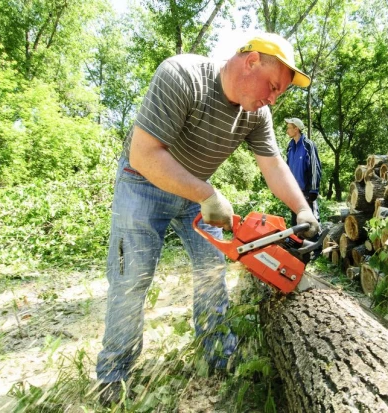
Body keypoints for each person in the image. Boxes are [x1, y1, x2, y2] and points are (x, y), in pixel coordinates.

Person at [95, 33, 319, 406]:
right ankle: (112, 378)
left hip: (197, 192)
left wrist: (302, 209)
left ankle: (219, 357)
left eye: (279, 93)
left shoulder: (257, 113)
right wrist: (206, 194)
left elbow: (274, 165)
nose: (273, 98)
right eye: (274, 86)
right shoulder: (183, 76)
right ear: (251, 62)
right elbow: (145, 153)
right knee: (131, 279)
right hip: (143, 182)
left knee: (212, 272)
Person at [285, 117, 321, 226]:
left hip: (307, 192)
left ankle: (316, 242)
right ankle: (298, 243)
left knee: (311, 224)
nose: (287, 131)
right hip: (294, 192)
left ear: (296, 129)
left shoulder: (308, 145)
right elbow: (287, 169)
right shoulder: (290, 147)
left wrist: (313, 191)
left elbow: (315, 167)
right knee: (295, 223)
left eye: (289, 128)